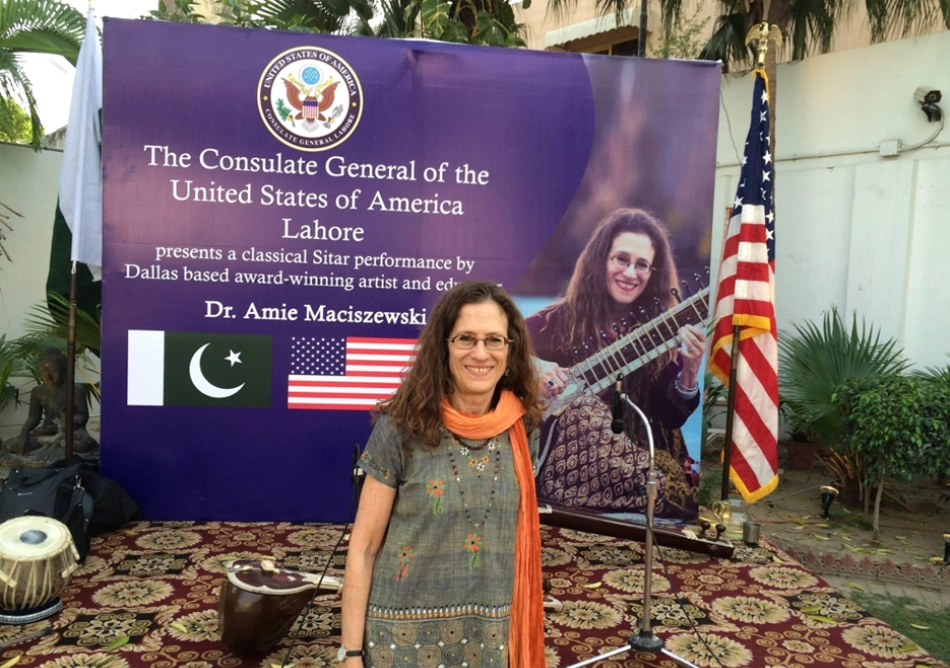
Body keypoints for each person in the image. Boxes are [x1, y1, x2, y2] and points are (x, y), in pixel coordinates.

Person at [341, 281, 546, 668]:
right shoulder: (402, 427)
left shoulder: (523, 429)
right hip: (399, 643)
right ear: (444, 346)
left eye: (494, 340)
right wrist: (350, 653)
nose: (480, 353)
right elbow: (364, 548)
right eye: (465, 338)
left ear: (510, 349)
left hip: (492, 641)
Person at [526, 208, 706, 521]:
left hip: (633, 455)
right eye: (621, 259)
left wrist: (689, 375)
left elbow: (670, 417)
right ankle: (665, 495)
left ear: (653, 273)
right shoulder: (557, 322)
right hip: (573, 458)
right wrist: (532, 370)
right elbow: (498, 345)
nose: (631, 273)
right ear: (601, 261)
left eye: (642, 265)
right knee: (584, 413)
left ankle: (657, 490)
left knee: (649, 458)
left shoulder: (662, 329)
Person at [5, 346, 98, 460]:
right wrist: (23, 434)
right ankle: (53, 449)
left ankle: (55, 450)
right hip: (45, 436)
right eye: (44, 372)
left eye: (53, 372)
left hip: (70, 434)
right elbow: (33, 418)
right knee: (11, 444)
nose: (48, 376)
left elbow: (83, 417)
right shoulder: (38, 391)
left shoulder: (75, 390)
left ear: (62, 370)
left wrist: (64, 423)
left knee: (84, 444)